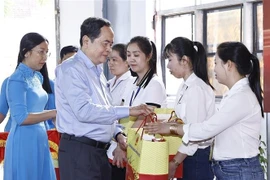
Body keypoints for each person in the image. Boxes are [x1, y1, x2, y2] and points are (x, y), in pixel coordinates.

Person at [145, 41, 265, 180]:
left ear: (229, 65)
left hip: (239, 170)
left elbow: (207, 129)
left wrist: (173, 128)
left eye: (216, 63)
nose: (214, 69)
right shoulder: (234, 94)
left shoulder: (241, 97)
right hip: (233, 169)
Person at [55, 17, 153, 180]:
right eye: (105, 43)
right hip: (80, 153)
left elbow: (103, 110)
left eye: (111, 44)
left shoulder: (96, 71)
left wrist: (117, 134)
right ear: (86, 41)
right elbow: (84, 111)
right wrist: (129, 111)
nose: (109, 49)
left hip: (97, 153)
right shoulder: (71, 69)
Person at [4, 32, 57, 180]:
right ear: (26, 52)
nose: (45, 57)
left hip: (39, 138)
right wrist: (53, 113)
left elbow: (37, 109)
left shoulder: (37, 77)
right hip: (24, 141)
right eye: (41, 52)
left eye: (47, 52)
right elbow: (21, 117)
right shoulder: (16, 80)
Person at [161, 37, 215, 180]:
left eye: (170, 60)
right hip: (188, 155)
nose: (168, 66)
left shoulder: (196, 89)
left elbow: (195, 134)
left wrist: (174, 162)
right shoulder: (185, 86)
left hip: (196, 157)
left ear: (184, 60)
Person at [0, 63, 56, 131]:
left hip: (44, 131)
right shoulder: (12, 81)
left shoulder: (50, 84)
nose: (44, 56)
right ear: (27, 54)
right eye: (41, 52)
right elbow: (2, 111)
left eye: (45, 52)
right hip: (16, 131)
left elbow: (56, 112)